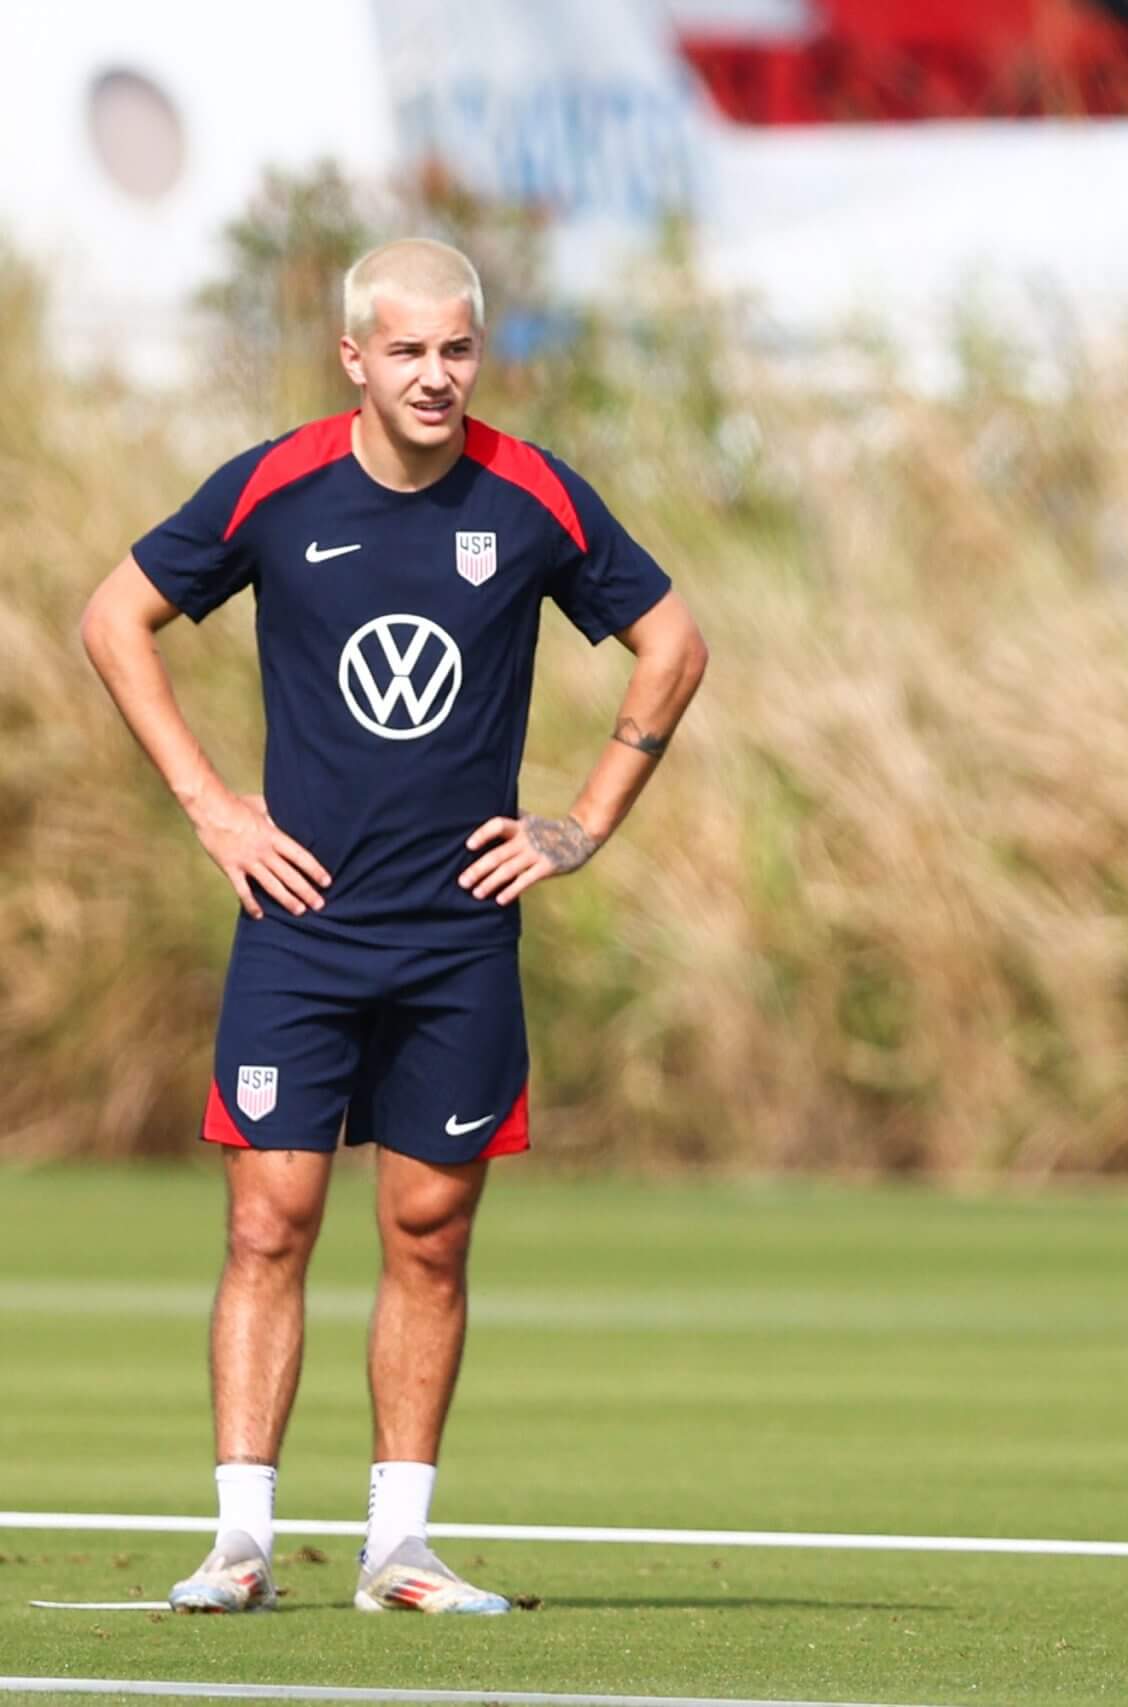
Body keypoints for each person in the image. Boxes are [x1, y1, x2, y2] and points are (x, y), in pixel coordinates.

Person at [80, 238, 710, 1616]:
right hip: (299, 927)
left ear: (480, 354)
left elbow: (674, 642)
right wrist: (211, 806)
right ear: (355, 357)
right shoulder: (272, 486)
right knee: (271, 1223)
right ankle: (240, 1543)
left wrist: (585, 822)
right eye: (409, 351)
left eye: (458, 350)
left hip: (458, 938)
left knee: (431, 1231)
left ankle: (398, 1551)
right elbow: (114, 619)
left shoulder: (533, 493)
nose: (436, 376)